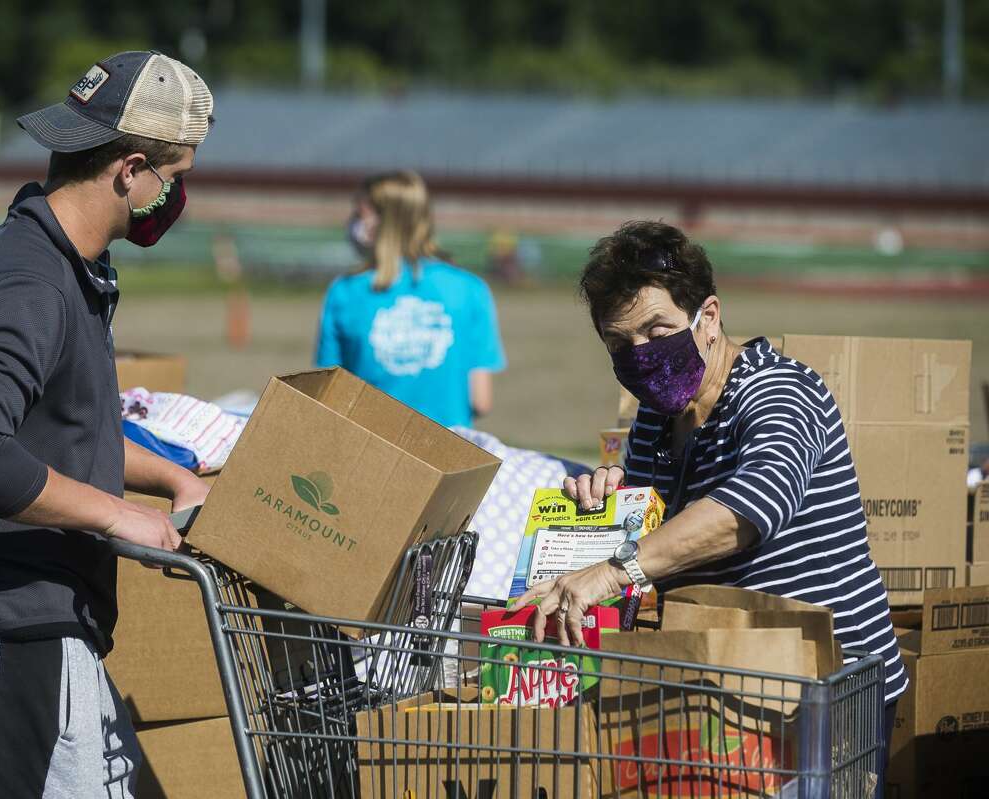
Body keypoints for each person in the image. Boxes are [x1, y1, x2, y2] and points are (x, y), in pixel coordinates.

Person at [0, 51, 213, 798]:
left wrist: (170, 476)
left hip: (41, 637)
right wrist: (118, 515)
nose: (174, 199)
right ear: (129, 169)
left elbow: (67, 420)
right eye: (173, 179)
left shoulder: (68, 266)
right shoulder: (26, 280)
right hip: (3, 641)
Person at [517, 221, 906, 796]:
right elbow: (651, 538)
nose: (643, 355)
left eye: (658, 330)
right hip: (725, 676)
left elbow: (747, 510)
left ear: (710, 317)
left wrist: (610, 569)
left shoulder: (781, 392)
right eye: (622, 345)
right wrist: (603, 509)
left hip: (824, 686)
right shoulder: (654, 420)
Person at [315, 170, 506, 427]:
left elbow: (329, 395)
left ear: (379, 223)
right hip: (452, 452)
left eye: (359, 214)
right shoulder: (471, 289)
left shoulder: (344, 291)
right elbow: (481, 400)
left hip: (371, 448)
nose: (350, 222)